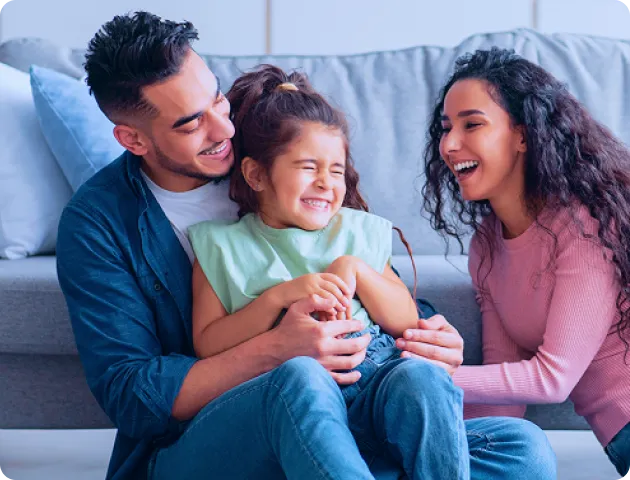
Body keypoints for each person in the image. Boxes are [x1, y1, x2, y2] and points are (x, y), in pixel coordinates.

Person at [56, 11, 555, 480]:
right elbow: (134, 395)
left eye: (216, 100)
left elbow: (365, 280)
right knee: (301, 379)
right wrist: (274, 349)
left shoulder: (273, 149)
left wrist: (427, 336)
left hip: (356, 408)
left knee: (522, 449)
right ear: (133, 139)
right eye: (191, 123)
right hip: (215, 434)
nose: (224, 128)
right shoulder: (97, 224)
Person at [188, 64, 469, 479]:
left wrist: (357, 270)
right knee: (303, 377)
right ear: (256, 174)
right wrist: (276, 299)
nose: (326, 182)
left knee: (518, 443)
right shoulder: (221, 247)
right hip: (297, 402)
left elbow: (407, 320)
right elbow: (208, 343)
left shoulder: (356, 232)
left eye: (335, 169)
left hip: (378, 387)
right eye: (307, 166)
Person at [416, 47, 630, 478]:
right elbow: (503, 397)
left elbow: (553, 380)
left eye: (472, 124)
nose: (450, 144)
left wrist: (418, 378)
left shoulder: (582, 224)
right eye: (445, 128)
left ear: (523, 135)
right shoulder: (487, 246)